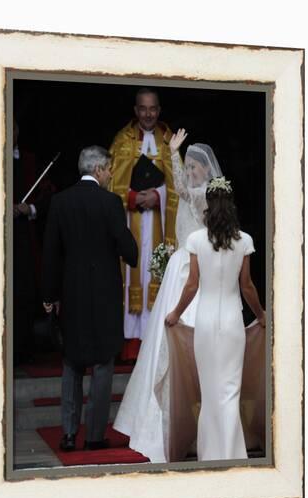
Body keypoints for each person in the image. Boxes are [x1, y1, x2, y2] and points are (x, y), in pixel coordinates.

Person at [113, 130, 224, 462]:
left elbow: (183, 193)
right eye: (188, 165)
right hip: (179, 267)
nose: (190, 170)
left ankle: (194, 421)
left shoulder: (205, 195)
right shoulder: (193, 190)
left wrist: (174, 157)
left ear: (207, 170)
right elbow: (178, 188)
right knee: (162, 340)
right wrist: (174, 155)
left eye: (194, 166)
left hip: (194, 268)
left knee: (188, 338)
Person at [42, 146, 138, 452]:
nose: (111, 173)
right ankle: (95, 435)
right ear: (98, 170)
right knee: (102, 362)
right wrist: (131, 250)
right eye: (109, 168)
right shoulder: (110, 202)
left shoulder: (60, 201)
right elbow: (129, 250)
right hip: (105, 294)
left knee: (71, 361)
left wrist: (49, 295)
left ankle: (69, 433)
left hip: (71, 294)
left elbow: (50, 254)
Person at [165, 177, 265, 461]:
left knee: (210, 392)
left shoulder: (196, 240)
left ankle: (210, 455)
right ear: (231, 204)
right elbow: (247, 286)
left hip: (206, 323)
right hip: (233, 322)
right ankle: (233, 453)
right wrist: (261, 315)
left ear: (208, 204)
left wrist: (175, 314)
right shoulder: (244, 240)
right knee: (230, 391)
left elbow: (192, 285)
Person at [109, 88, 178, 361]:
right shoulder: (122, 140)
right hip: (132, 221)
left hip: (161, 224)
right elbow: (111, 182)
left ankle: (155, 341)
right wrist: (135, 197)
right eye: (143, 108)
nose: (148, 114)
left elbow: (180, 183)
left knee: (157, 273)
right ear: (136, 110)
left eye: (153, 109)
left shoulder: (169, 141)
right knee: (133, 273)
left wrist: (158, 196)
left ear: (159, 110)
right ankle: (132, 345)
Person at [13, 118, 54, 365]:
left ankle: (24, 351)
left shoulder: (30, 160)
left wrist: (30, 209)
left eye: (15, 127)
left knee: (25, 291)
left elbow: (49, 195)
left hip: (25, 239)